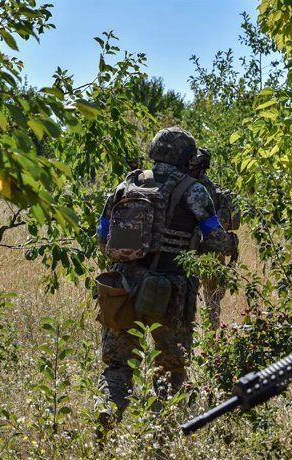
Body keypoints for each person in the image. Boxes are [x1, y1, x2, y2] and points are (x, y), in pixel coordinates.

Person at [95, 126, 237, 429]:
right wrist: (230, 243)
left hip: (121, 289)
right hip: (169, 290)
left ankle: (109, 409)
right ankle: (160, 432)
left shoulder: (127, 184)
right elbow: (215, 238)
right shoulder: (194, 190)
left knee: (118, 365)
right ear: (186, 157)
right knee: (171, 368)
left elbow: (102, 235)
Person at [188, 149, 239, 330]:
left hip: (194, 253)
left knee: (193, 298)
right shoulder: (214, 190)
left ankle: (201, 344)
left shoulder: (193, 189)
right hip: (212, 254)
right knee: (212, 301)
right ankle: (210, 344)